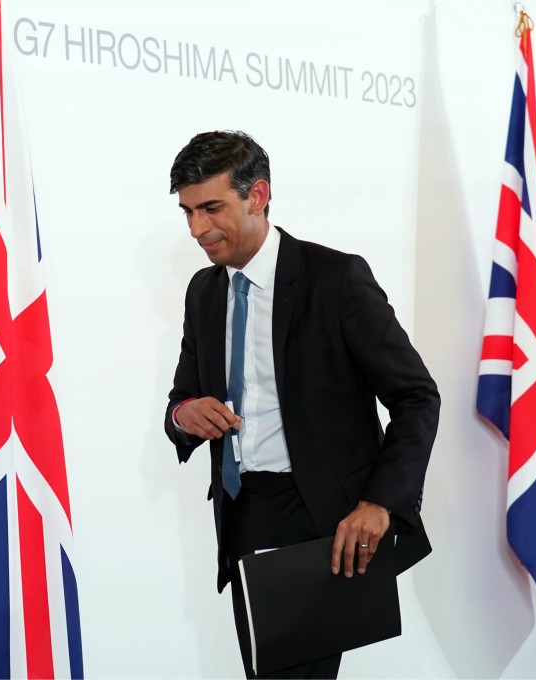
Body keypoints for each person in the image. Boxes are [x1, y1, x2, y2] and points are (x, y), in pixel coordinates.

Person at [163, 130, 440, 679]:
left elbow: (416, 397)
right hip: (242, 517)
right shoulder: (204, 291)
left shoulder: (336, 280)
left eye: (211, 208)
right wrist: (184, 415)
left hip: (319, 522)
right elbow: (181, 400)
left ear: (258, 195)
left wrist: (379, 503)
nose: (198, 229)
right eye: (188, 212)